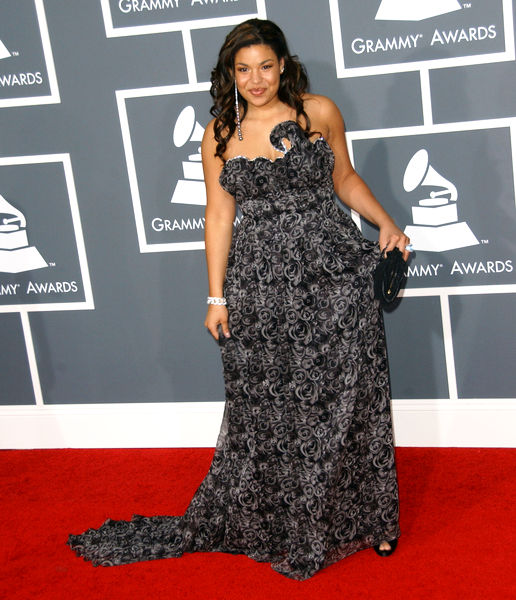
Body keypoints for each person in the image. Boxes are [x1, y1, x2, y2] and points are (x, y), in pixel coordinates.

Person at [67, 18, 410, 581]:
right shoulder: (219, 134)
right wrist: (215, 296)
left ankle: (375, 518)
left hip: (332, 271)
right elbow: (219, 214)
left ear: (284, 65)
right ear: (230, 73)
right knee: (274, 408)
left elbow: (344, 179)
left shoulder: (317, 112)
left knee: (354, 396)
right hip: (259, 284)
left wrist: (386, 223)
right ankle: (290, 523)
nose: (255, 80)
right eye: (243, 69)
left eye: (266, 66)